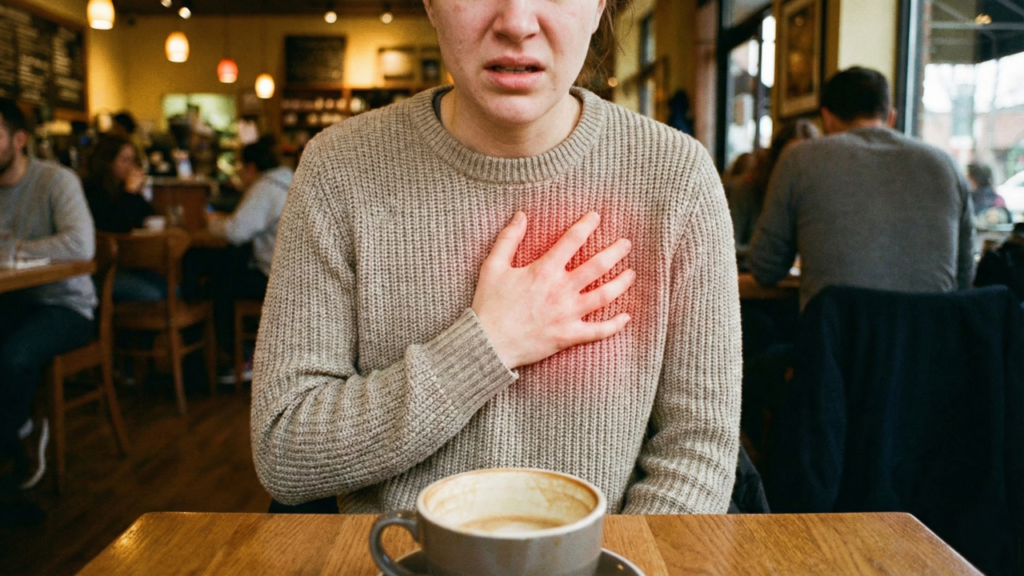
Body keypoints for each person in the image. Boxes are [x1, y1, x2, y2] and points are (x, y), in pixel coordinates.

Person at [251, 0, 742, 516]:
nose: (516, 22)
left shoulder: (676, 178)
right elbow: (283, 449)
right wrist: (488, 345)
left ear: (600, 6)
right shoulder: (339, 168)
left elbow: (697, 452)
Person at [749, 67, 976, 310]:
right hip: (930, 342)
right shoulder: (947, 166)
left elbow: (765, 268)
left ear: (826, 118)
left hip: (835, 343)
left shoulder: (799, 160)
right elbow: (964, 278)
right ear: (891, 117)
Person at [0, 98, 96, 490]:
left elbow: (80, 245)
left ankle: (15, 449)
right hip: (12, 302)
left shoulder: (56, 181)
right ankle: (19, 426)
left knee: (13, 357)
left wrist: (13, 250)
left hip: (65, 304)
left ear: (18, 139)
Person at [204, 137, 293, 379]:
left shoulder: (265, 186)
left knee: (217, 285)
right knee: (229, 271)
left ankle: (242, 359)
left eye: (241, 167)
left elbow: (236, 232)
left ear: (251, 167)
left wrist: (212, 223)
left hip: (276, 279)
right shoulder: (289, 179)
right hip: (297, 276)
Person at [82, 134, 164, 302]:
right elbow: (117, 225)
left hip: (130, 263)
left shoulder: (123, 190)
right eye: (125, 160)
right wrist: (130, 193)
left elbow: (148, 216)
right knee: (156, 294)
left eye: (133, 160)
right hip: (101, 269)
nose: (131, 166)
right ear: (107, 163)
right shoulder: (92, 192)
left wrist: (136, 193)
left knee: (174, 290)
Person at [729, 119, 820, 255]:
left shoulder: (819, 196)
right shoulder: (747, 190)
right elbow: (727, 247)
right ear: (776, 159)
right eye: (790, 158)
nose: (797, 167)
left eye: (806, 159)